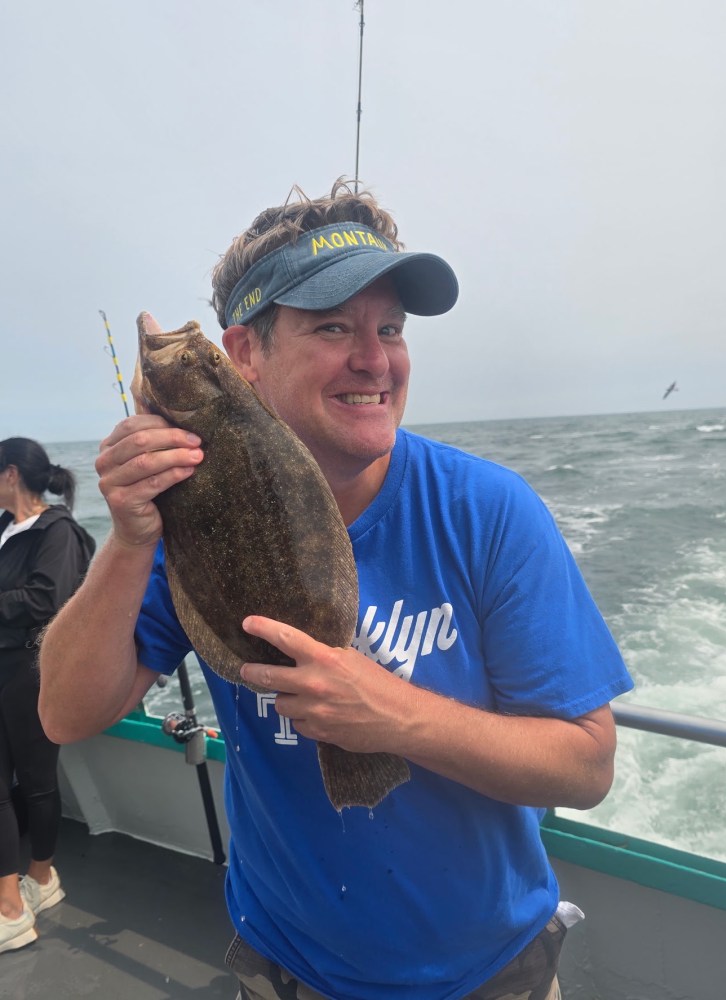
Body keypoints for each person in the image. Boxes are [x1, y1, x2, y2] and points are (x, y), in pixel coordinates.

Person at [39, 180, 633, 999]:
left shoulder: (487, 510)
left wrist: (395, 716)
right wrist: (131, 540)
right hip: (291, 970)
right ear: (244, 354)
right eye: (331, 327)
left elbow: (586, 766)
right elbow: (66, 714)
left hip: (493, 973)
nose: (375, 358)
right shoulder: (187, 519)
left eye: (389, 328)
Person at [0, 438, 95, 953]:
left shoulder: (57, 531)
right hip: (0, 666)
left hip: (32, 672)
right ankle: (10, 903)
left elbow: (46, 599)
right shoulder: (5, 529)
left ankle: (42, 877)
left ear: (10, 474)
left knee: (36, 782)